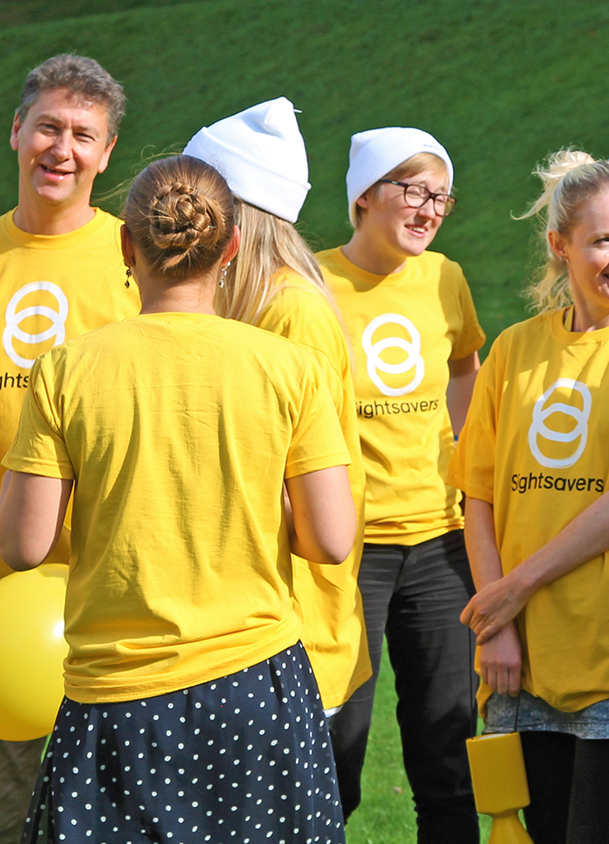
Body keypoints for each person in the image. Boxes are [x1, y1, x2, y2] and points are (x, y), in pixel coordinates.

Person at [0, 154, 355, 843]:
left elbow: (23, 544)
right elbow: (331, 540)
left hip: (115, 693)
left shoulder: (64, 369)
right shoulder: (291, 368)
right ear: (231, 246)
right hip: (256, 687)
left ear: (125, 245)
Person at [447, 150, 609, 842]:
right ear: (559, 247)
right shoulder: (514, 350)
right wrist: (498, 623)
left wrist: (513, 590)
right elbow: (478, 497)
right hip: (524, 652)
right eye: (604, 240)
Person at [317, 126, 486, 843]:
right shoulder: (310, 284)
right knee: (335, 752)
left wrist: (466, 464)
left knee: (447, 754)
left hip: (440, 544)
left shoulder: (444, 277)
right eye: (414, 190)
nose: (429, 210)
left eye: (441, 197)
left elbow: (465, 369)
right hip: (346, 552)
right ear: (364, 194)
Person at [182, 96, 370, 720]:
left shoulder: (292, 312)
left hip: (289, 625)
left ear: (234, 212)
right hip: (243, 613)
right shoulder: (239, 301)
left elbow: (302, 485)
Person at [0, 53, 136, 843]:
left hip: (111, 593)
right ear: (17, 130)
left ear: (107, 152)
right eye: (48, 127)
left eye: (84, 135)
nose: (63, 149)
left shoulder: (137, 261)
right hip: (2, 591)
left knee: (111, 812)